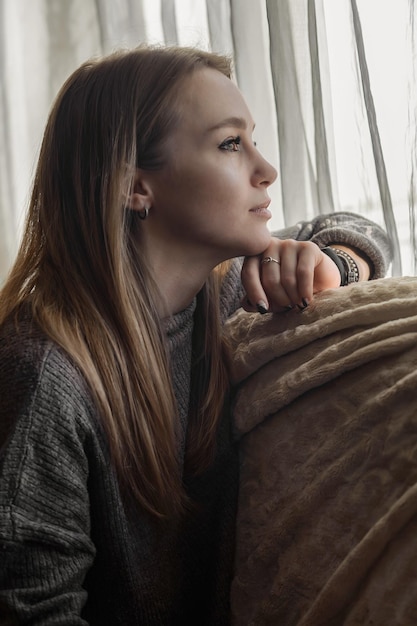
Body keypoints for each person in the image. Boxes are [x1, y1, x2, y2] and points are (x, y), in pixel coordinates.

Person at [0, 44, 391, 625]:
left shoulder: (230, 290)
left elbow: (362, 230)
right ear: (137, 187)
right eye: (231, 144)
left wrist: (336, 262)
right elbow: (31, 610)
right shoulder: (46, 373)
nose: (267, 169)